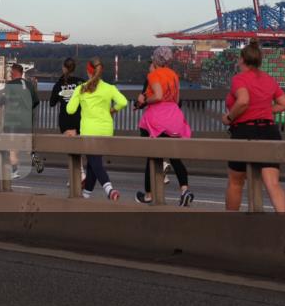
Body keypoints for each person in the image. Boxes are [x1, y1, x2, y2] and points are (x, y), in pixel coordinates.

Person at [222, 40, 285, 214]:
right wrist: (266, 110)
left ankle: (230, 223)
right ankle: (283, 222)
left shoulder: (239, 79)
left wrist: (229, 118)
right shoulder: (269, 79)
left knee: (236, 181)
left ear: (241, 60)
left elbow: (243, 101)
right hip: (269, 131)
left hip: (245, 131)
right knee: (272, 182)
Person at [134, 47, 194, 207]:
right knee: (175, 156)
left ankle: (148, 194)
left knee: (151, 156)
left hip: (157, 118)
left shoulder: (153, 75)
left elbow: (158, 95)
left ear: (155, 59)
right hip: (174, 117)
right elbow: (177, 99)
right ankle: (184, 190)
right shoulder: (174, 75)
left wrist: (145, 101)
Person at [66, 57, 128, 200]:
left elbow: (70, 110)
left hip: (89, 131)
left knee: (94, 162)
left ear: (88, 72)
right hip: (106, 131)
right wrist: (113, 110)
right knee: (93, 163)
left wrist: (76, 98)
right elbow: (123, 102)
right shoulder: (109, 88)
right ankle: (86, 195)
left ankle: (109, 189)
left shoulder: (81, 89)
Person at [49, 58, 85, 185]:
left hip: (66, 119)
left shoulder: (59, 84)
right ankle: (78, 174)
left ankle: (78, 175)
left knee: (71, 150)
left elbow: (52, 103)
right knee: (77, 148)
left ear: (64, 68)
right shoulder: (81, 82)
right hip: (80, 119)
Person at [2, 63, 41, 179]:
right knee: (24, 144)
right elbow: (36, 101)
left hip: (13, 121)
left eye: (10, 72)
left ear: (14, 73)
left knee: (12, 148)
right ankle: (33, 155)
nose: (9, 74)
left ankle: (14, 171)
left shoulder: (10, 85)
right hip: (26, 121)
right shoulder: (29, 85)